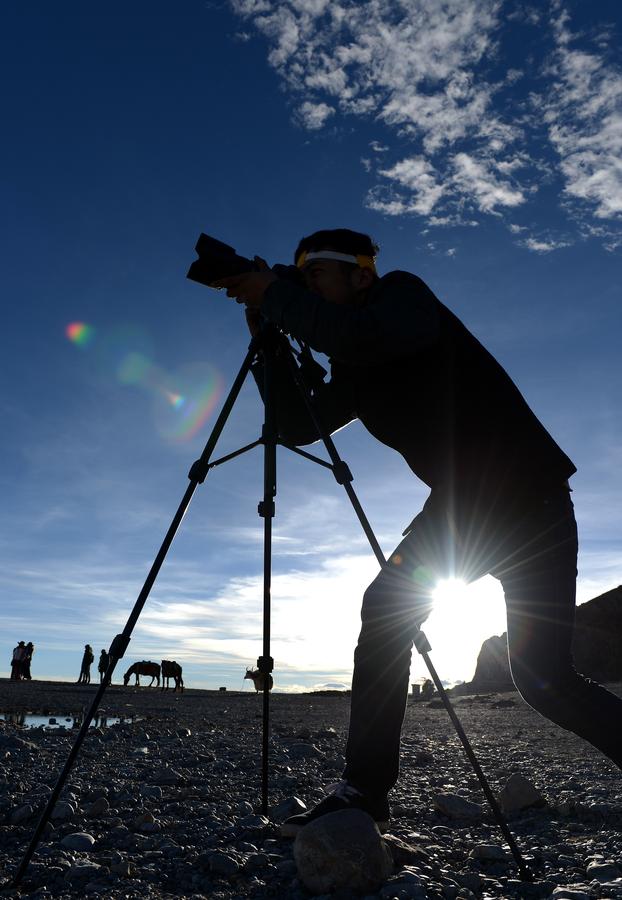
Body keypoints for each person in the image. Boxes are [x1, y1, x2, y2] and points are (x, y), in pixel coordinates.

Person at [217, 228, 622, 835]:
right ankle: (363, 792)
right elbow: (299, 424)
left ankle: (362, 792)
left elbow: (368, 335)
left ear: (361, 274)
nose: (308, 289)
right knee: (534, 673)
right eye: (299, 280)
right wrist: (266, 336)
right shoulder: (352, 361)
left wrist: (276, 294)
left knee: (541, 678)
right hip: (479, 503)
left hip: (517, 494)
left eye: (315, 276)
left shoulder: (402, 299)